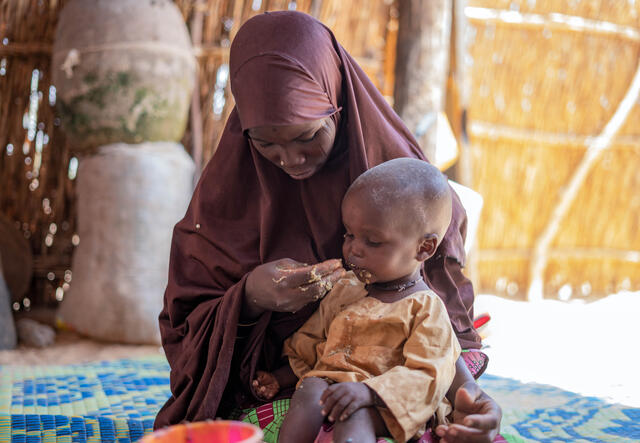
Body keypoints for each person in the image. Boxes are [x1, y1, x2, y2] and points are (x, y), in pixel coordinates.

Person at [155, 10, 501, 443]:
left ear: (337, 101)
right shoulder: (228, 193)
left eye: (307, 136)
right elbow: (188, 325)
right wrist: (249, 298)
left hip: (396, 384)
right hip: (290, 377)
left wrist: (468, 392)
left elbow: (438, 316)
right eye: (265, 143)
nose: (289, 159)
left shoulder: (401, 183)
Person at [252, 158, 461, 443]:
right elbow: (312, 344)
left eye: (372, 242)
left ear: (423, 248)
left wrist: (368, 392)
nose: (354, 250)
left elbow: (428, 374)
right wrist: (280, 377)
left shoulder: (426, 309)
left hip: (386, 405)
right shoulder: (347, 289)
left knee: (355, 413)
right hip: (332, 389)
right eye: (349, 235)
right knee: (311, 386)